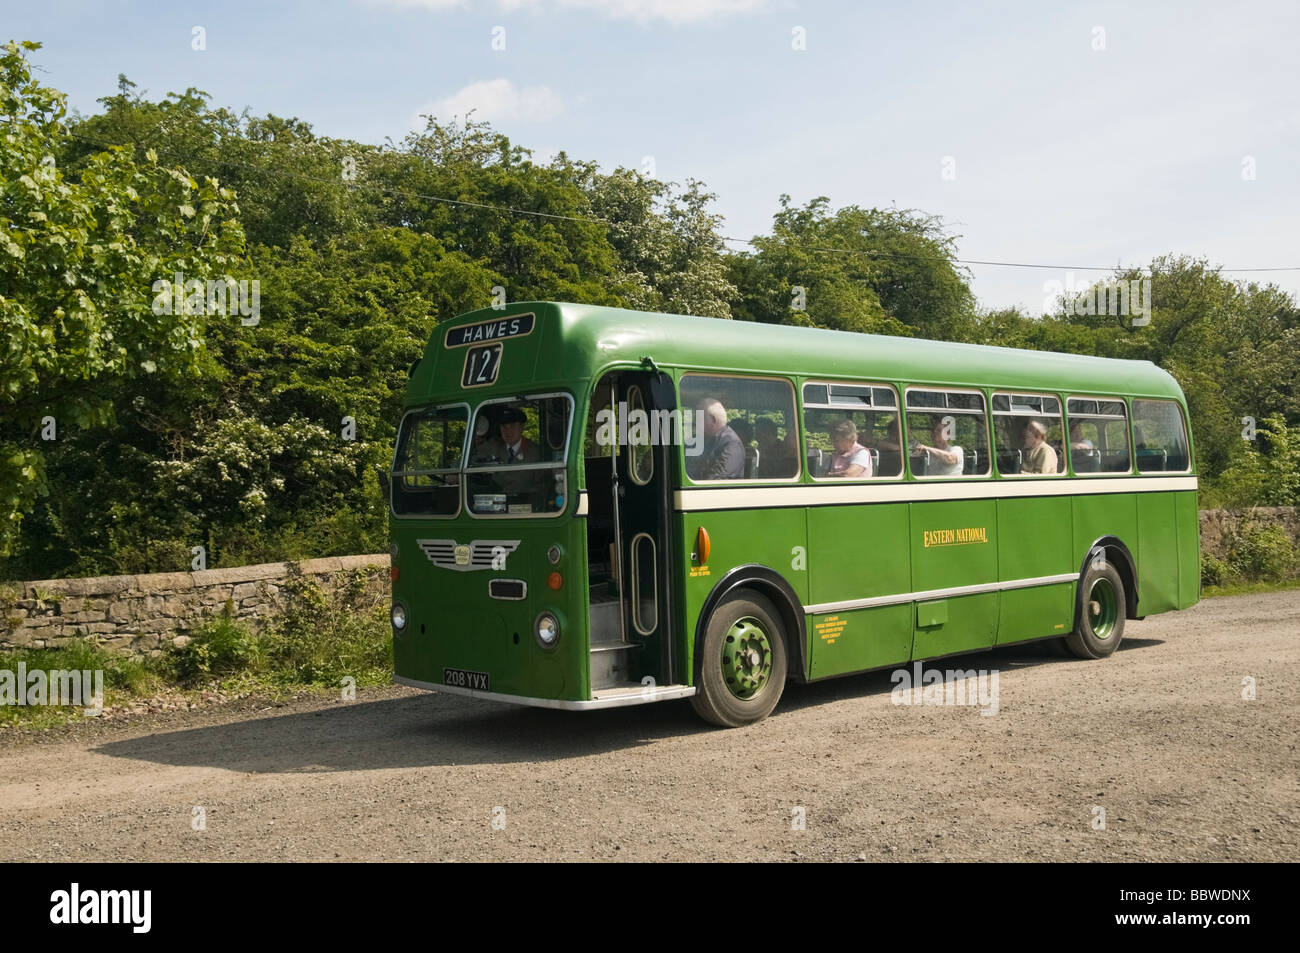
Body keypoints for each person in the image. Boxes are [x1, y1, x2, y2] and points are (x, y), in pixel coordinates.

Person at [688, 398, 745, 480]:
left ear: (713, 420)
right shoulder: (698, 440)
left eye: (698, 417)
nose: (694, 421)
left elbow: (717, 479)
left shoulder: (731, 443)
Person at [474, 406, 540, 464]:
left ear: (522, 427)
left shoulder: (535, 451)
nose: (508, 430)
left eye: (512, 425)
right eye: (503, 426)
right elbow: (474, 461)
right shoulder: (492, 447)